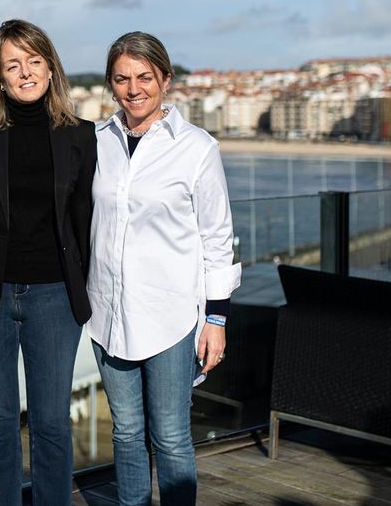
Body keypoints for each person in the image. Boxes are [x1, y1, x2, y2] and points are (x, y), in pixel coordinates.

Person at [0, 19, 96, 505]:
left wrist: (86, 296)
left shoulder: (81, 136)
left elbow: (89, 222)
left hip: (55, 298)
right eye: (14, 64)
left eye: (34, 61)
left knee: (52, 424)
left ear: (50, 68)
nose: (25, 72)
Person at [87, 31, 241, 506]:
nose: (134, 88)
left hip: (170, 316)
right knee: (128, 433)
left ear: (166, 80)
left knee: (171, 436)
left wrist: (216, 318)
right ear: (111, 85)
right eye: (122, 78)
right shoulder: (96, 142)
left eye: (144, 77)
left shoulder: (198, 149)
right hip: (106, 315)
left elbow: (218, 238)